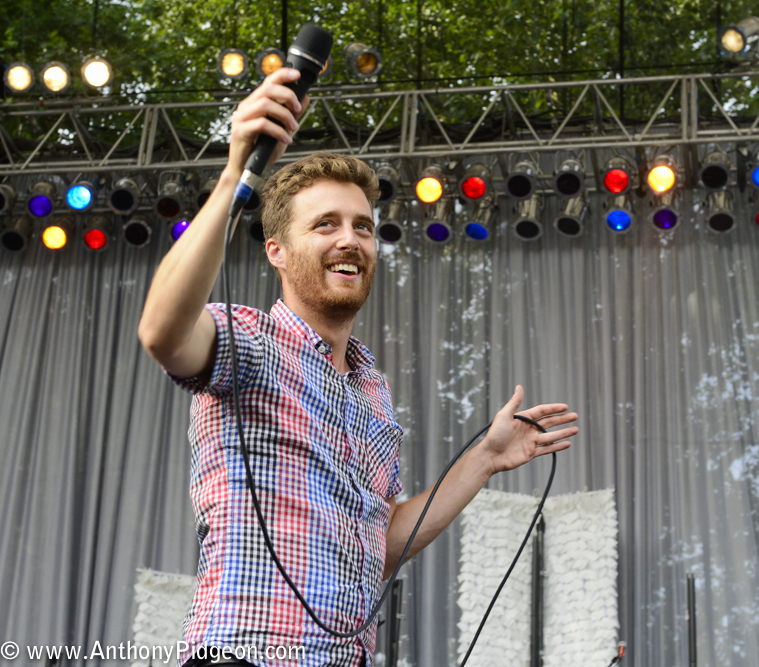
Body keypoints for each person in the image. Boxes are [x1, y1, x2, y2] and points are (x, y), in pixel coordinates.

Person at [137, 67, 579, 667]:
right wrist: (234, 176)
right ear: (277, 252)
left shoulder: (371, 387)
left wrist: (484, 460)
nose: (351, 239)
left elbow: (384, 544)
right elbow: (162, 331)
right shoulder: (250, 340)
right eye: (325, 225)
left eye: (363, 227)